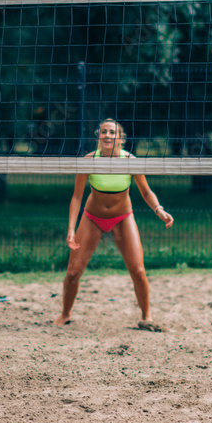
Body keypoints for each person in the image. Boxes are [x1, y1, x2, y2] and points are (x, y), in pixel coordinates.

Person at [55, 119, 174, 326]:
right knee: (73, 272)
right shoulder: (89, 160)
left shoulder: (130, 160)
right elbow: (76, 197)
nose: (108, 135)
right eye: (103, 132)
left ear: (121, 138)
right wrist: (71, 229)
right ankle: (65, 314)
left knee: (137, 270)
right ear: (98, 136)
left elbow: (146, 191)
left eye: (112, 132)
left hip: (122, 218)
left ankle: (146, 316)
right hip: (92, 218)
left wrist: (159, 209)